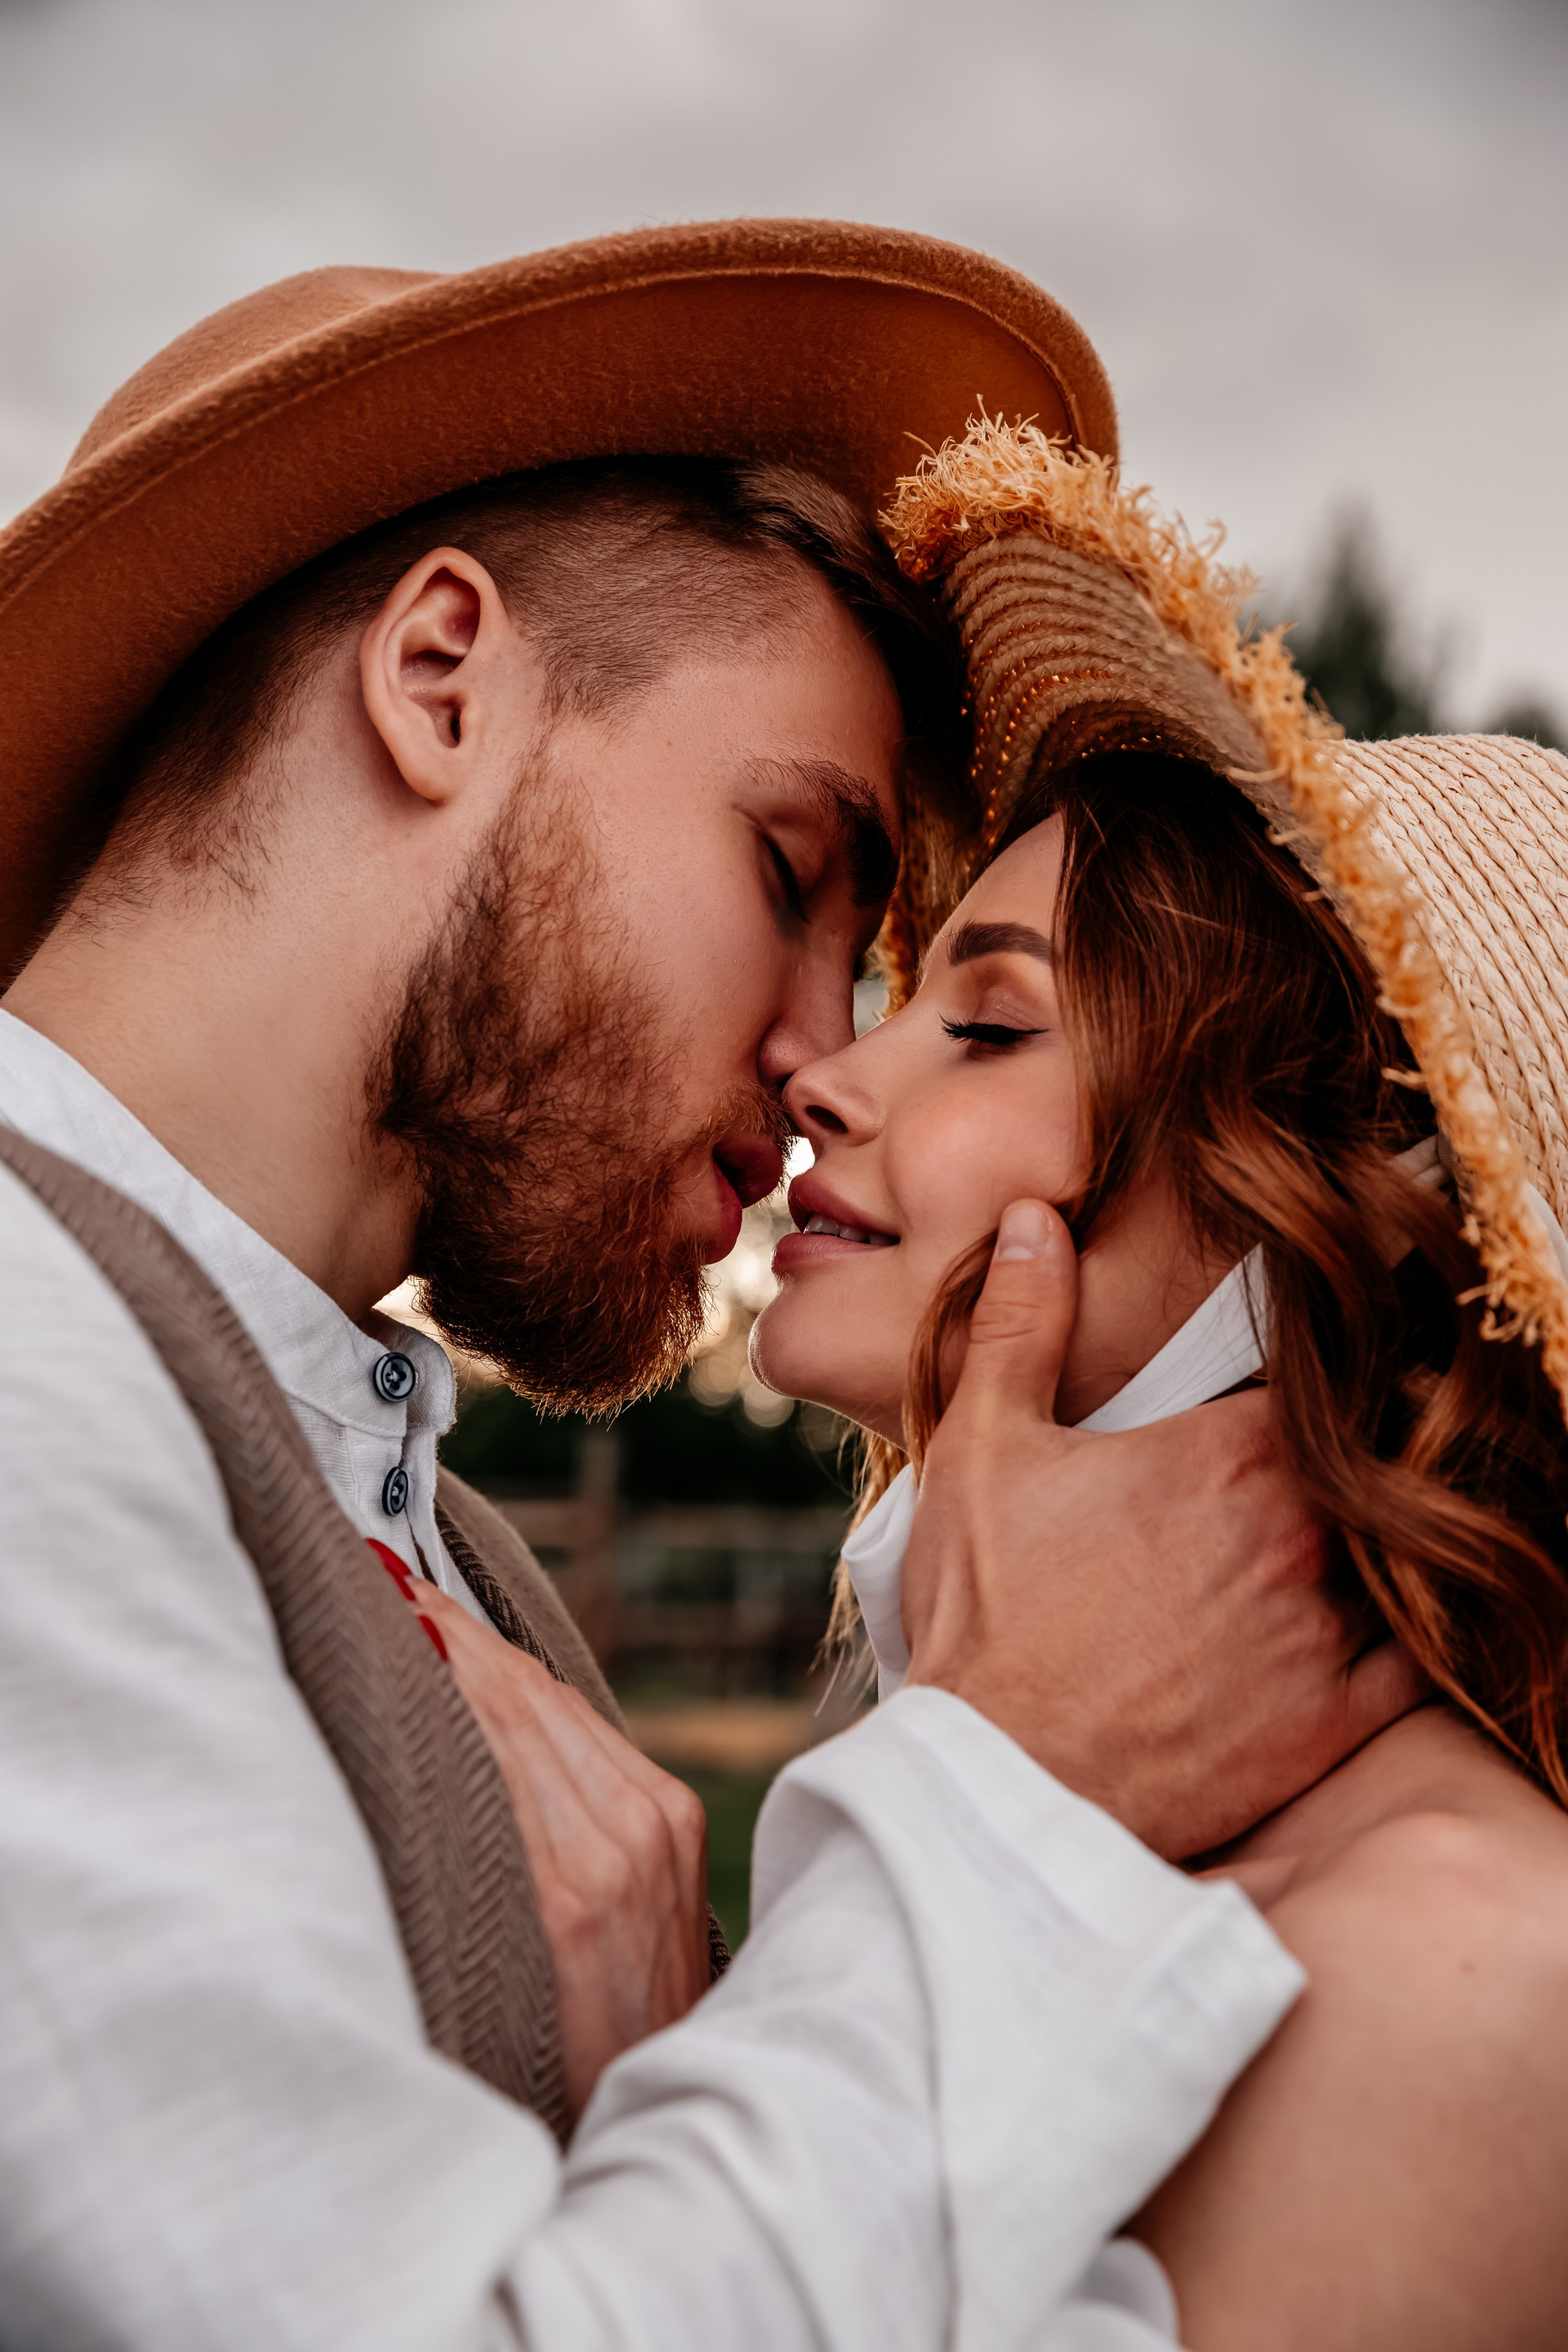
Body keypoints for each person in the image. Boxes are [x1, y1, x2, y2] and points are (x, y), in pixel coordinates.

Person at [0, 225, 1408, 2351]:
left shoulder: (466, 1566)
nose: (822, 1049)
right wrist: (1014, 1783)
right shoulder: (28, 1369)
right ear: (440, 679)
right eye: (787, 867)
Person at [750, 413, 1568, 2349]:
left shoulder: (1460, 1964)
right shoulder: (1110, 1800)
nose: (830, 1078)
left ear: (1334, 1203)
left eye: (989, 1025)